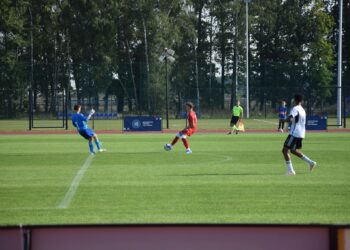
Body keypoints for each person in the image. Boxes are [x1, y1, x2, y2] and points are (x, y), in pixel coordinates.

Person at [282, 94, 316, 175]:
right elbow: (295, 120)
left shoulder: (295, 108)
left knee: (285, 150)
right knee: (293, 151)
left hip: (295, 133)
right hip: (301, 133)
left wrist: (283, 120)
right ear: (301, 101)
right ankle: (311, 162)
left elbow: (290, 118)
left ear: (295, 100)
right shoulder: (302, 110)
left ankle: (291, 171)